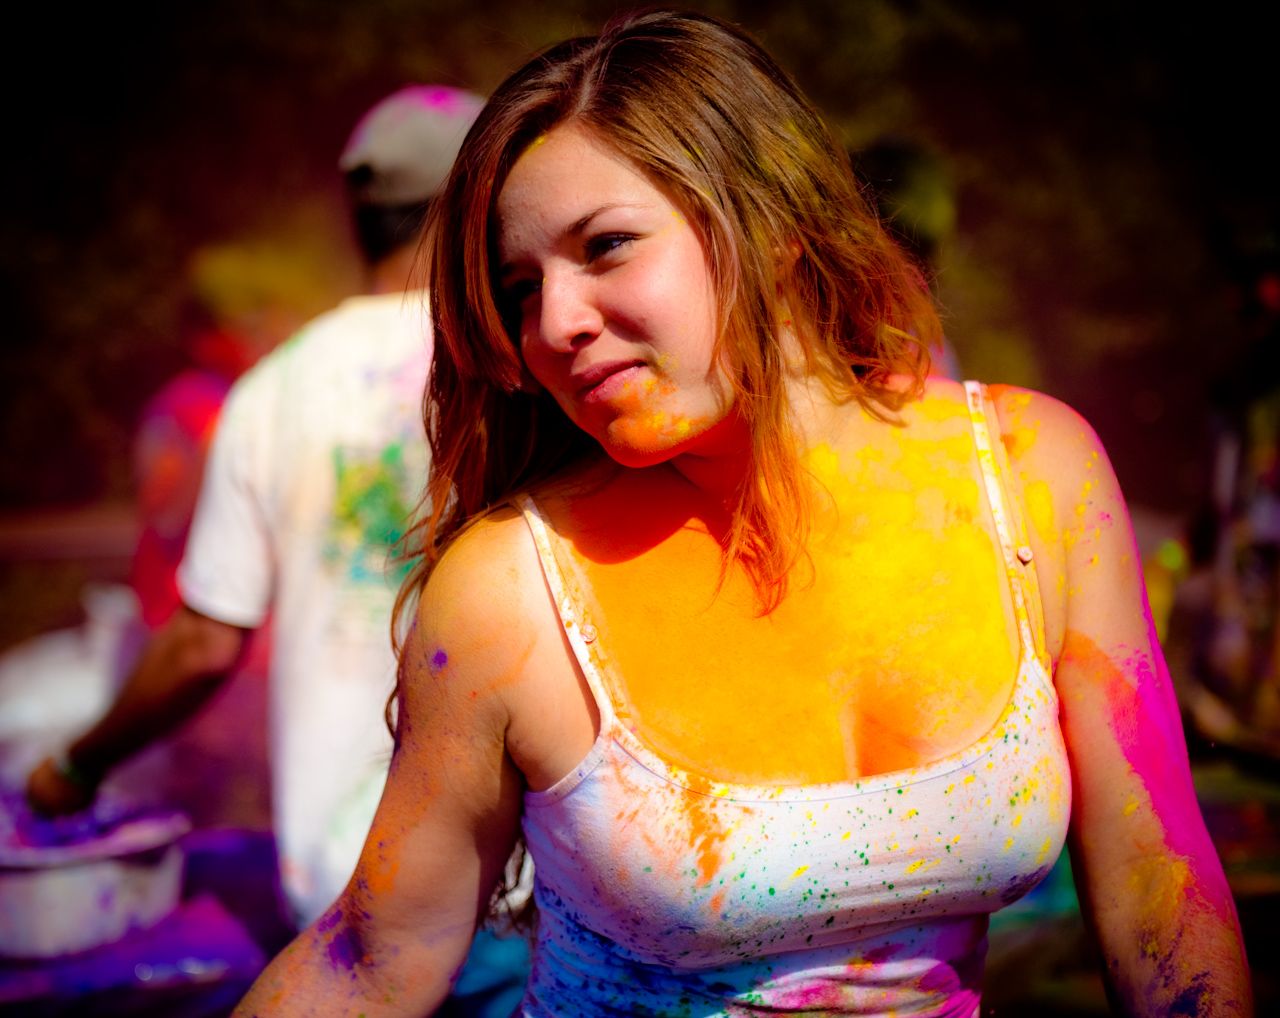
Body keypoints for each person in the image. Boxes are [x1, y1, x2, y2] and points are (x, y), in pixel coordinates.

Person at [236, 11, 1251, 1016]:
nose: (553, 324)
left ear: (766, 223)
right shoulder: (512, 592)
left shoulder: (1032, 477)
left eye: (606, 245)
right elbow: (373, 962)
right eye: (518, 288)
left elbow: (1155, 891)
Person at [27, 83, 527, 1016]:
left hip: (343, 892)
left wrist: (76, 765)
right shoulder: (522, 363)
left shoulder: (270, 393)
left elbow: (201, 644)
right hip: (517, 886)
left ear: (358, 218)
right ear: (479, 200)